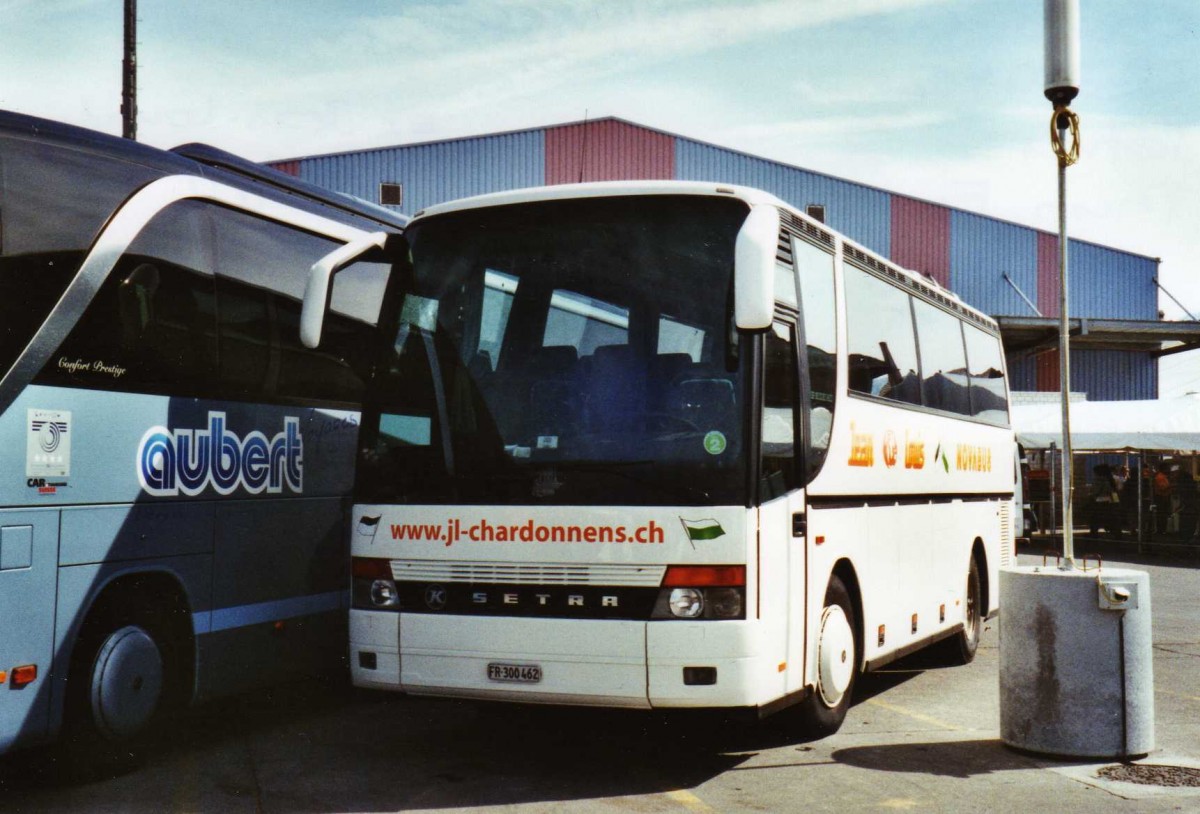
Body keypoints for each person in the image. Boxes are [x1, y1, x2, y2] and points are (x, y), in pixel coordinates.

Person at [1154, 463, 1174, 537]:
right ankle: (1161, 530)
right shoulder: (1160, 477)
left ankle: (1162, 529)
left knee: (1163, 514)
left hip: (1164, 497)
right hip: (1161, 497)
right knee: (1161, 514)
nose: (1169, 469)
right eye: (1167, 468)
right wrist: (1171, 485)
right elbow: (1162, 488)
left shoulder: (1164, 477)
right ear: (1163, 468)